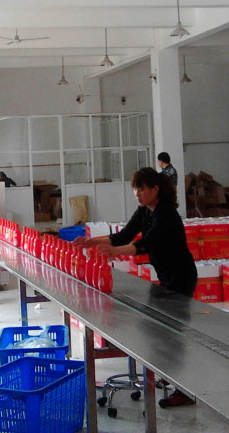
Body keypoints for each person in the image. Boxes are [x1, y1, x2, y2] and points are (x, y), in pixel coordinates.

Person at [71, 166, 198, 407]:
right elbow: (124, 235)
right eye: (135, 190)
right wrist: (91, 242)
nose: (137, 194)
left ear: (155, 189)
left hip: (181, 277)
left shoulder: (166, 215)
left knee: (173, 334)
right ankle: (168, 374)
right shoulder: (145, 211)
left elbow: (147, 244)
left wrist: (115, 252)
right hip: (166, 276)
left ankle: (185, 391)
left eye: (141, 189)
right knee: (160, 330)